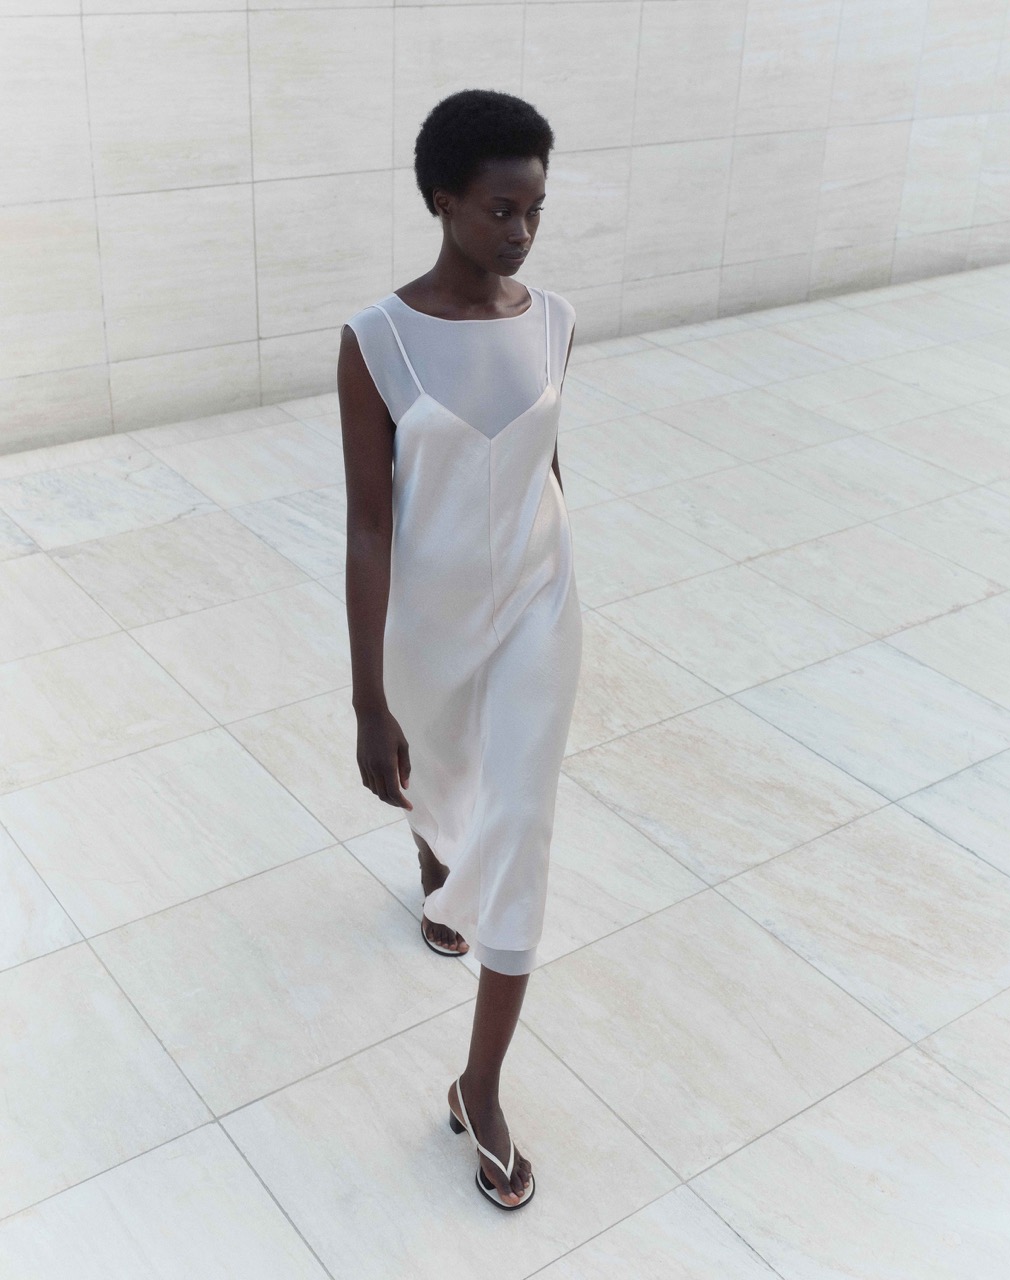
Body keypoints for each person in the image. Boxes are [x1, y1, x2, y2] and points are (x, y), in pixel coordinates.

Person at [337, 89, 581, 1210]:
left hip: (537, 604)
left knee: (521, 829)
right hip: (427, 625)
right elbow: (370, 526)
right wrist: (367, 702)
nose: (520, 230)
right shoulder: (377, 342)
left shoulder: (555, 320)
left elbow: (548, 466)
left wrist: (559, 585)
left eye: (533, 207)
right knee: (434, 782)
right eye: (499, 208)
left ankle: (478, 1086)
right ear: (443, 201)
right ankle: (436, 857)